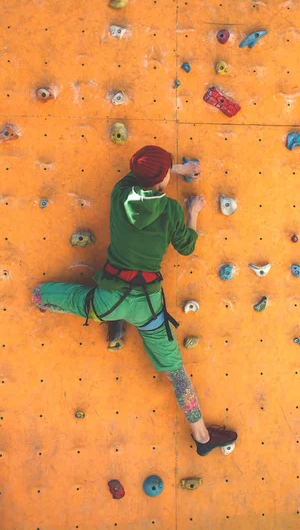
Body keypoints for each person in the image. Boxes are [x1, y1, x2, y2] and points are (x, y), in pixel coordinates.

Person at [32, 145, 238, 457]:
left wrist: (174, 170)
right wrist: (192, 212)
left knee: (44, 294)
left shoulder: (120, 194)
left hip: (107, 300)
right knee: (175, 371)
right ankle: (202, 435)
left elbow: (137, 176)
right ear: (165, 176)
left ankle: (51, 304)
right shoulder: (170, 211)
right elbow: (187, 246)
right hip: (148, 305)